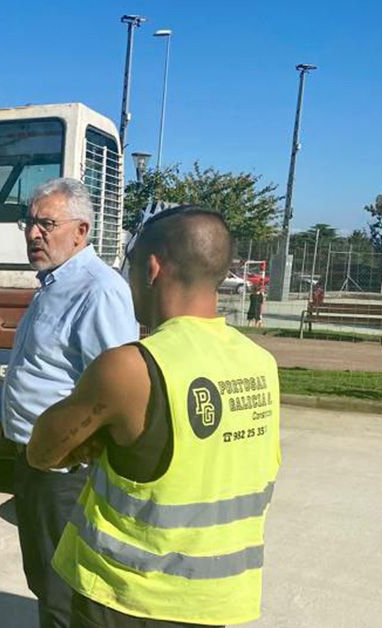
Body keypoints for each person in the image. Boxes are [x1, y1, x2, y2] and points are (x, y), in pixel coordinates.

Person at [27, 207, 281, 627]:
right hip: (219, 600)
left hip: (130, 598)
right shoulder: (260, 364)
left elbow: (42, 450)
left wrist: (99, 437)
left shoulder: (131, 367)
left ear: (152, 267)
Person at [0, 178, 139, 628]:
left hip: (68, 473)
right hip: (32, 462)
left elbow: (118, 387)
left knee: (66, 594)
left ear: (81, 231)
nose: (32, 233)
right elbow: (30, 367)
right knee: (45, 580)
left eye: (46, 224)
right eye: (30, 222)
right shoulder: (52, 286)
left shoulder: (97, 291)